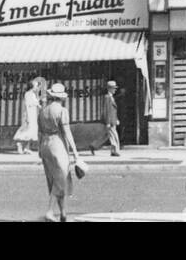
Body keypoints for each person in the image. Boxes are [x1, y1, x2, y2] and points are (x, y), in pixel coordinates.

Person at [38, 81, 81, 223]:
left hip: (45, 145)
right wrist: (75, 152)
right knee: (61, 178)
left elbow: (40, 132)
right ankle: (50, 211)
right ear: (61, 97)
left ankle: (63, 213)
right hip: (57, 144)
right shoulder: (62, 111)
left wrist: (40, 148)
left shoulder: (43, 111)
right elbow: (67, 132)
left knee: (54, 179)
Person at [90, 79, 121, 157]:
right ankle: (115, 151)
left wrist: (116, 119)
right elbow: (106, 111)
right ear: (109, 88)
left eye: (115, 88)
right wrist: (108, 122)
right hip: (110, 121)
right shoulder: (107, 97)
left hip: (113, 120)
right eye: (113, 88)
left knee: (106, 136)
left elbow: (113, 110)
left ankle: (94, 145)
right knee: (114, 136)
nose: (115, 90)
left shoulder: (111, 97)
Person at [13, 77, 42, 155]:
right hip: (29, 114)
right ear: (32, 86)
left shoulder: (32, 94)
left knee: (31, 132)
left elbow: (35, 103)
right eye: (35, 85)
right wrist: (28, 117)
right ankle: (20, 144)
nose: (37, 87)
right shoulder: (28, 94)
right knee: (27, 131)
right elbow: (28, 105)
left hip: (33, 114)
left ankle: (27, 148)